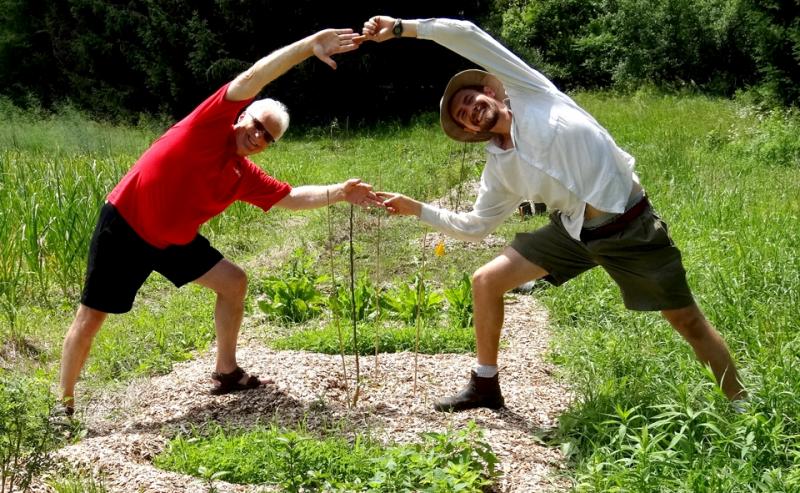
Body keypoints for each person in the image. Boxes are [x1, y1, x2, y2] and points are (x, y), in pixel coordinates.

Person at [361, 16, 746, 411]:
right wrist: (416, 208)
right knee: (485, 281)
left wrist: (400, 28)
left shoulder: (532, 92)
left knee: (687, 321)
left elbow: (467, 34)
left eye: (470, 100)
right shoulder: (499, 170)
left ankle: (741, 406)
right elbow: (474, 227)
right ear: (470, 130)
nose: (470, 111)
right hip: (575, 233)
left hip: (630, 226)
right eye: (462, 115)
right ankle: (485, 385)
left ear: (490, 93)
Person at [59, 27, 382, 416]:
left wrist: (341, 192)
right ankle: (63, 405)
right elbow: (254, 76)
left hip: (172, 241)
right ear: (243, 115)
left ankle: (226, 372)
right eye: (257, 124)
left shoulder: (243, 175)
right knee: (92, 316)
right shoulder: (208, 124)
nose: (258, 135)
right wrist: (306, 48)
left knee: (233, 282)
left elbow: (291, 197)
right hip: (125, 225)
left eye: (268, 136)